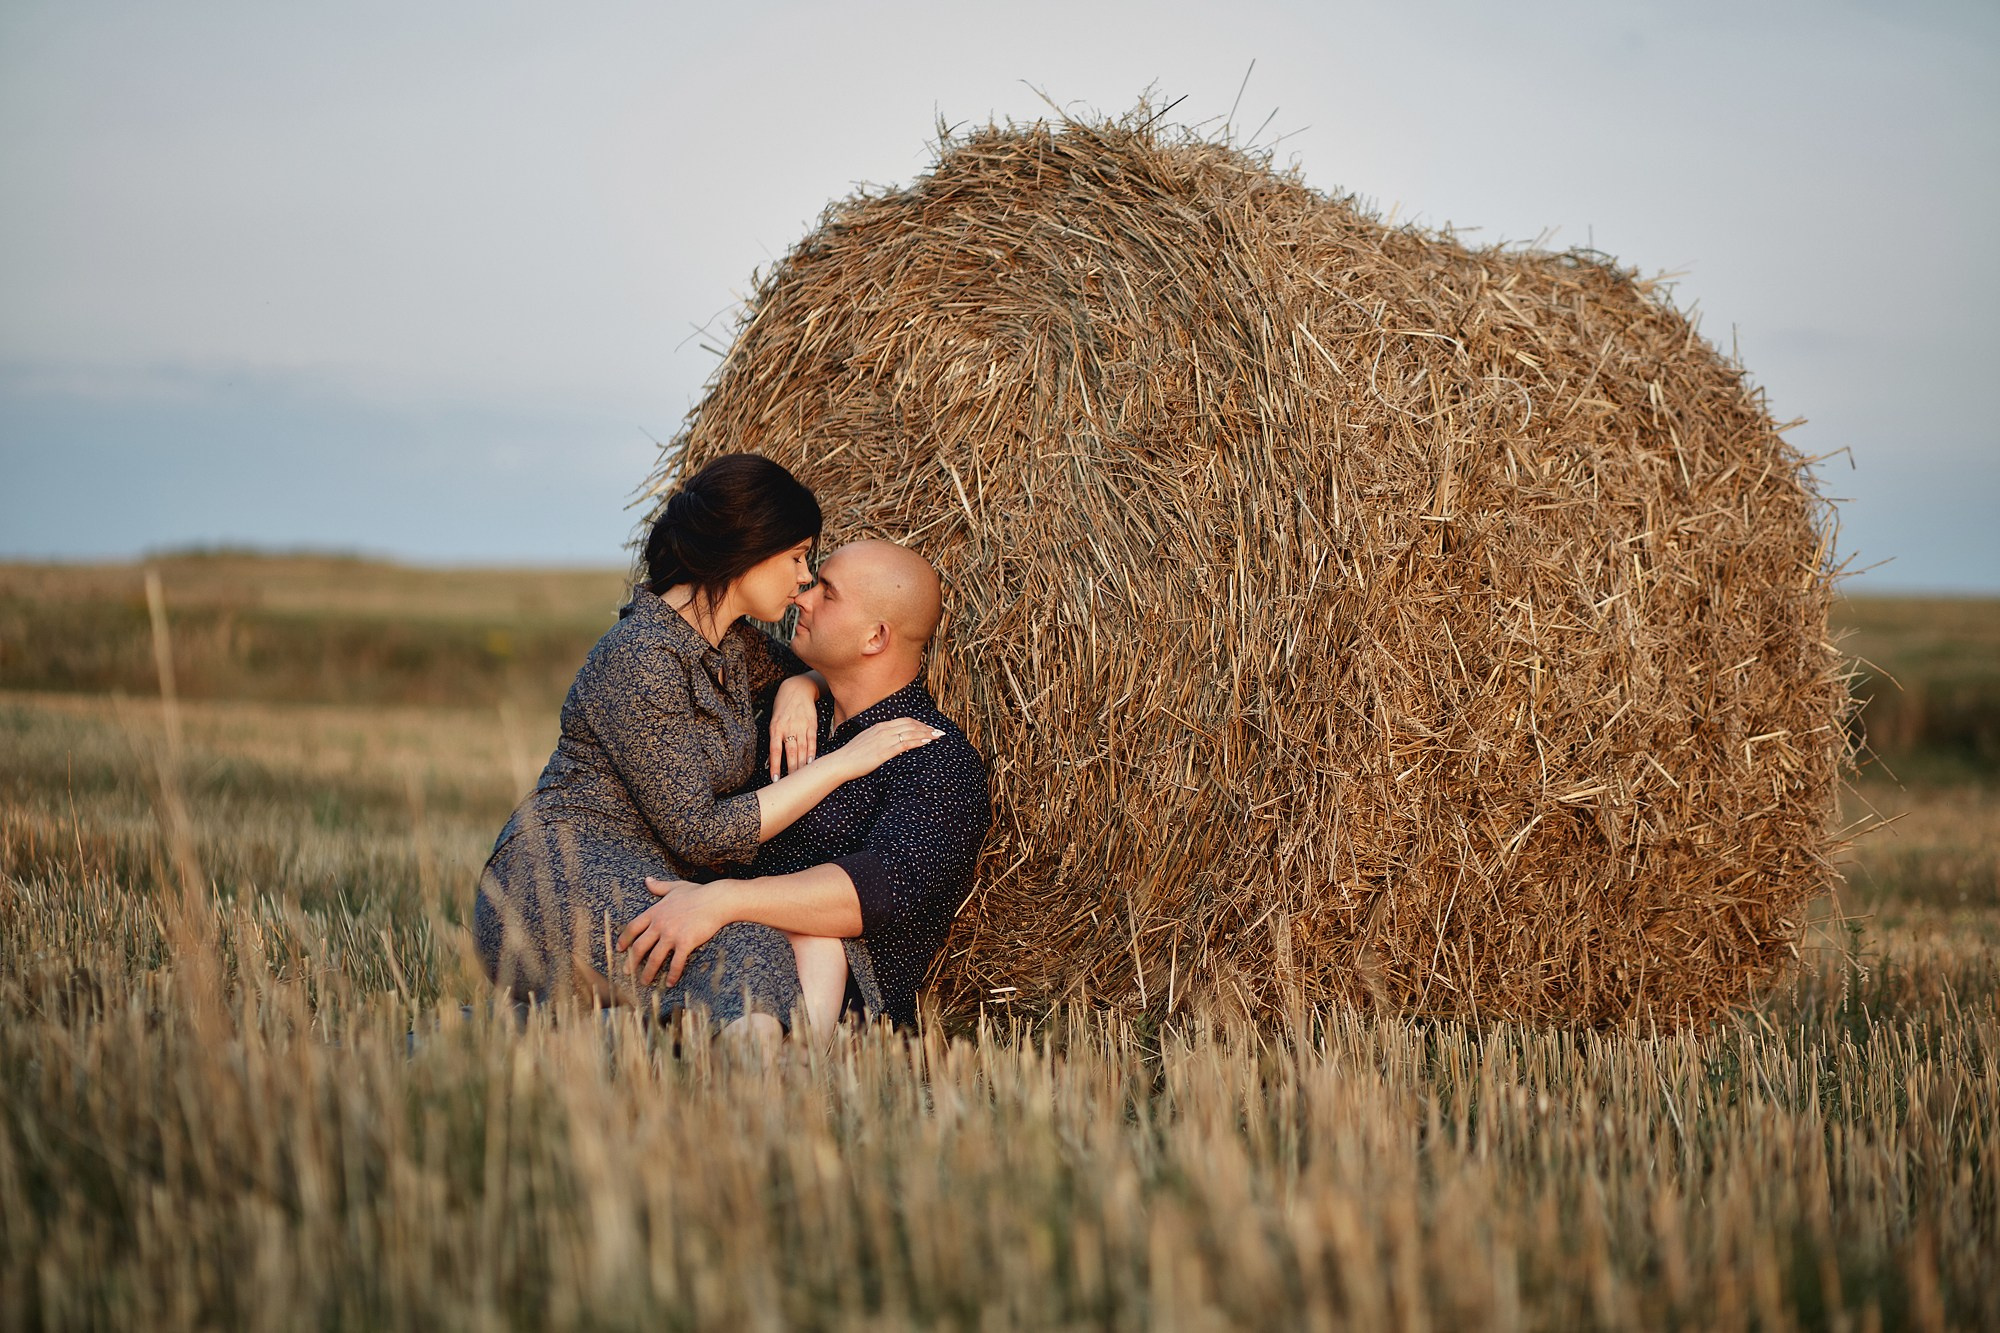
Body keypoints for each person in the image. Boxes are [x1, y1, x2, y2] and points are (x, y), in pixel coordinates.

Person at [472, 455, 942, 1026]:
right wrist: (842, 762)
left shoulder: (733, 647)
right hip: (557, 872)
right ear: (750, 551)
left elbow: (840, 667)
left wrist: (800, 686)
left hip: (649, 876)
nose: (803, 581)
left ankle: (538, 1036)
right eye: (797, 557)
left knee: (737, 968)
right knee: (745, 953)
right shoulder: (641, 656)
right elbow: (701, 834)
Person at [616, 539, 992, 1037]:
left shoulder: (935, 758)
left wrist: (723, 900)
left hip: (836, 1008)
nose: (802, 597)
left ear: (875, 637)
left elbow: (873, 891)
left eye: (827, 593)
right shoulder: (793, 716)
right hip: (723, 950)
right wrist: (799, 685)